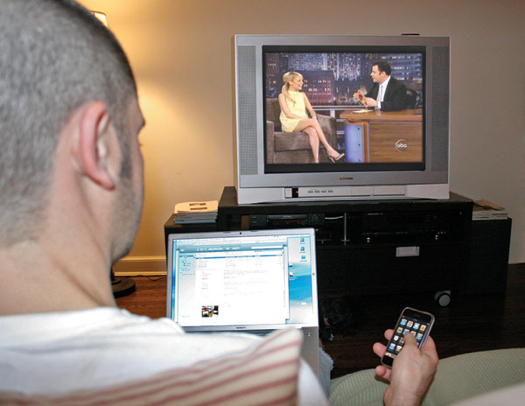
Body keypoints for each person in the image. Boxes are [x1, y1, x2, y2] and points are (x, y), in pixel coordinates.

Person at [0, 1, 437, 405]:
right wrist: (403, 396)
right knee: (316, 359)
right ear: (97, 147)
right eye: (136, 134)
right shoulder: (272, 380)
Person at [279, 71, 344, 163]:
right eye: (299, 81)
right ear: (290, 82)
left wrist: (313, 117)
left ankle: (316, 161)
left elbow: (311, 110)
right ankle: (329, 149)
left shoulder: (302, 95)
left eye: (302, 81)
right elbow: (288, 114)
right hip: (290, 122)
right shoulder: (282, 95)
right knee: (312, 122)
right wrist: (308, 120)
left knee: (313, 131)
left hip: (302, 122)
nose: (302, 83)